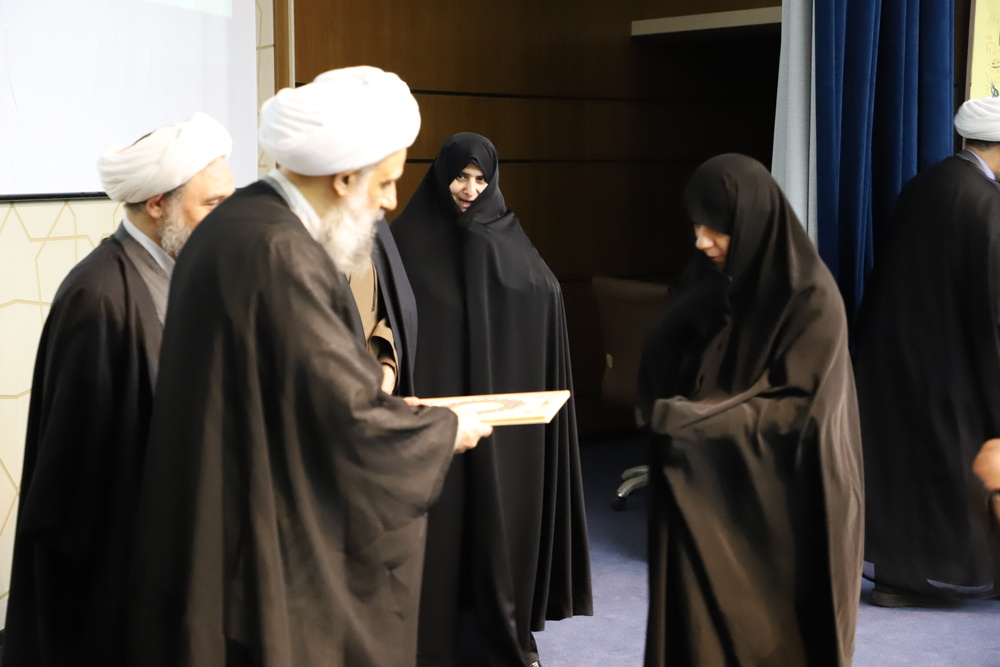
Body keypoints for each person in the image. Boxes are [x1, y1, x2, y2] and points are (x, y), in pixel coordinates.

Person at [126, 67, 492, 667]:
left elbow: (298, 393)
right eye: (385, 182)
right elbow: (346, 422)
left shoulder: (238, 221)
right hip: (258, 548)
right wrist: (444, 429)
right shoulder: (282, 254)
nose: (390, 201)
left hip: (217, 524)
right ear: (344, 178)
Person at [3, 112, 234, 666]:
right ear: (157, 204)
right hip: (115, 591)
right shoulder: (100, 295)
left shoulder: (184, 274)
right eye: (211, 205)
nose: (225, 222)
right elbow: (73, 487)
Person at [638, 154, 864, 666]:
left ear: (752, 222)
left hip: (784, 503)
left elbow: (803, 412)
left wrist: (697, 422)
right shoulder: (709, 282)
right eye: (696, 226)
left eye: (716, 229)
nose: (701, 241)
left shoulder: (810, 300)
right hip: (705, 487)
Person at [391, 132, 592, 667]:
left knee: (499, 516)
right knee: (438, 522)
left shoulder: (505, 236)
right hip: (431, 416)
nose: (469, 189)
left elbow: (545, 293)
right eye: (460, 176)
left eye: (481, 179)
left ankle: (501, 633)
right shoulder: (404, 241)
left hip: (499, 420)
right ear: (441, 175)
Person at [853, 97, 1000, 607]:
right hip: (954, 363)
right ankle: (952, 579)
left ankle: (897, 578)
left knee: (906, 473)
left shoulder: (928, 183)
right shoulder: (984, 202)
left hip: (899, 356)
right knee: (954, 473)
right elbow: (992, 310)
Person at [345, 216, 418, 394]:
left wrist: (388, 366)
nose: (390, 203)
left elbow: (395, 307)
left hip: (375, 392)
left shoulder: (372, 220)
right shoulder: (293, 234)